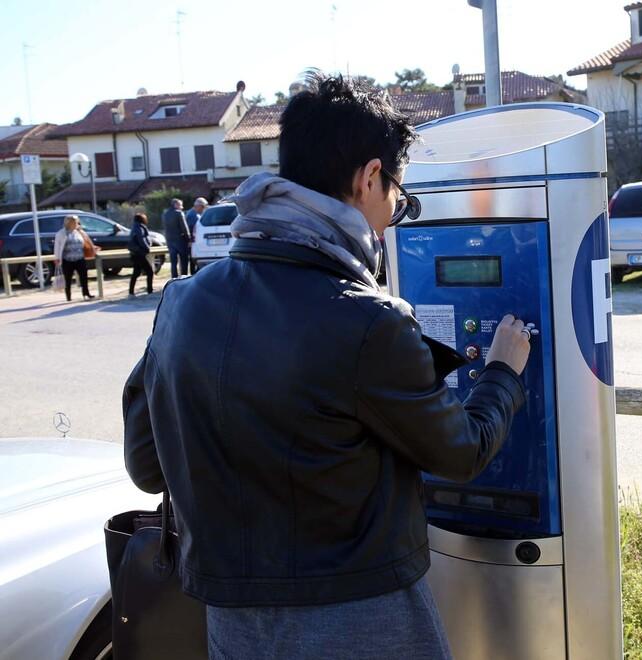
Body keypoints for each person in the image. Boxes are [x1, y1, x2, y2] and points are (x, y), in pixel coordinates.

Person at [123, 75, 532, 660]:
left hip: (232, 624)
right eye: (398, 196)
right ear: (370, 178)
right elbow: (461, 452)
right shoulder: (368, 322)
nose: (394, 214)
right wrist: (502, 372)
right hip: (361, 620)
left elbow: (146, 463)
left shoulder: (182, 302)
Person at [53, 214, 94, 301]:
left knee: (84, 276)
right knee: (68, 278)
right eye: (73, 222)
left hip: (80, 258)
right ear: (68, 223)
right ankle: (68, 296)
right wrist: (57, 258)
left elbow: (87, 242)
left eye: (76, 222)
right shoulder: (61, 233)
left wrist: (93, 248)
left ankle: (86, 293)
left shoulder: (80, 232)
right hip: (67, 259)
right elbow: (57, 246)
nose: (75, 223)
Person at [162, 198, 190, 278]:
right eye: (180, 205)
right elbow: (184, 227)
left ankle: (174, 277)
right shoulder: (179, 213)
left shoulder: (165, 214)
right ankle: (184, 276)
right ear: (176, 205)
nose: (182, 207)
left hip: (170, 239)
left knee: (173, 261)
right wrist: (188, 238)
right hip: (180, 239)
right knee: (184, 260)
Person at [127, 213, 153, 296]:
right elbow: (142, 240)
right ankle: (150, 290)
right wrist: (147, 248)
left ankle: (131, 291)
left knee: (136, 273)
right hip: (140, 254)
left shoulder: (134, 227)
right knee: (150, 271)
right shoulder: (139, 228)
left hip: (135, 253)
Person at [186, 197, 208, 272]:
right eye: (203, 207)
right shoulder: (193, 215)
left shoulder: (195, 214)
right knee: (193, 258)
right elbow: (191, 228)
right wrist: (190, 240)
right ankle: (193, 273)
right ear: (198, 206)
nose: (204, 209)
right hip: (193, 240)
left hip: (195, 239)